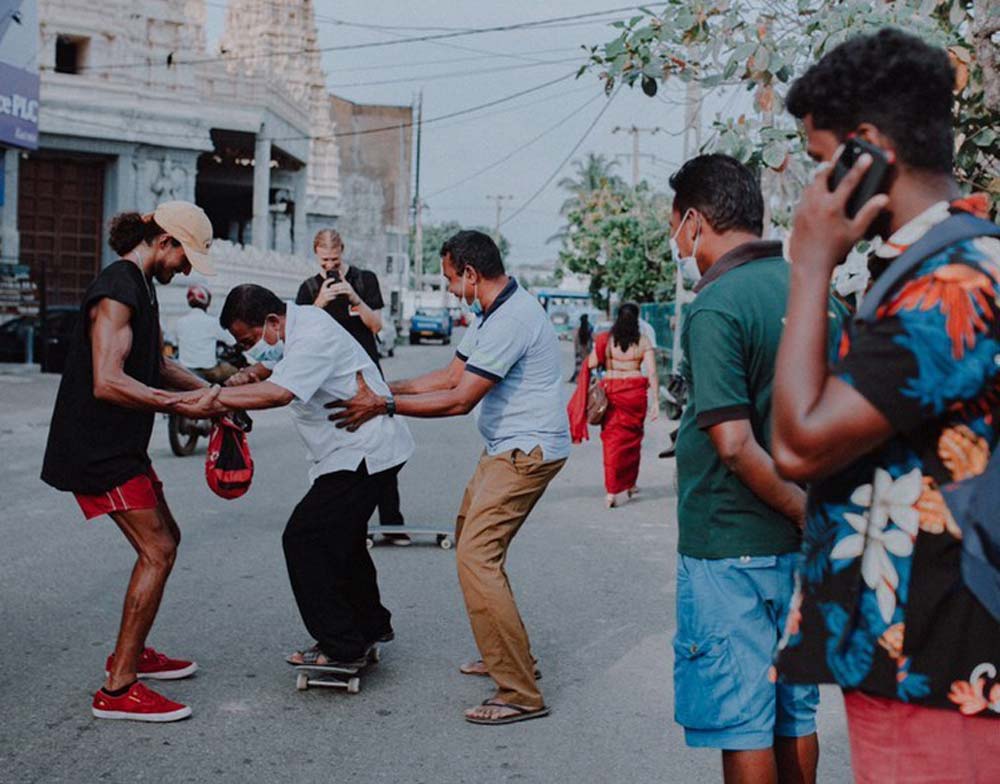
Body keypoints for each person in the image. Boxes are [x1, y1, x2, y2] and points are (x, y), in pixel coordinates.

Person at [771, 29, 1000, 781]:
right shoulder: (939, 266)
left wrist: (808, 265)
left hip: (939, 664)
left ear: (866, 151)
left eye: (818, 164)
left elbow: (800, 443)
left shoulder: (955, 284)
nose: (811, 194)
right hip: (921, 651)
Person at [327, 229, 569, 725]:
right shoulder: (489, 312)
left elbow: (460, 401)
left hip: (527, 451)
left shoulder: (512, 320)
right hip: (506, 445)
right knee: (472, 543)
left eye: (450, 279)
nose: (449, 289)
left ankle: (519, 691)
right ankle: (508, 653)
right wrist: (381, 385)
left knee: (477, 558)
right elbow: (448, 375)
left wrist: (385, 405)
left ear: (472, 274)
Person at [668, 155, 821, 783]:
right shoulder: (813, 294)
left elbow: (732, 443)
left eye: (674, 226)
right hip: (798, 552)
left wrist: (800, 511)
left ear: (696, 222)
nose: (676, 241)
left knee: (743, 720)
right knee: (795, 713)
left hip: (730, 547)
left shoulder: (716, 306)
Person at [40, 201, 218, 722]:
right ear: (164, 241)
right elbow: (108, 379)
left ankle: (132, 653)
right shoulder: (119, 286)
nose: (186, 270)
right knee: (158, 550)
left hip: (123, 447)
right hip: (98, 450)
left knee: (169, 538)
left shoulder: (141, 287)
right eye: (185, 257)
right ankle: (118, 688)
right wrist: (185, 405)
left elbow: (155, 364)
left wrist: (214, 394)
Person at [177, 283, 414, 668]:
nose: (251, 348)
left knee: (304, 539)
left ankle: (342, 644)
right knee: (344, 539)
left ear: (272, 321)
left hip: (362, 452)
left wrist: (213, 398)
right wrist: (252, 372)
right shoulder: (299, 324)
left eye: (251, 339)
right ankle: (371, 624)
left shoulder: (313, 332)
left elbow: (280, 394)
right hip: (356, 451)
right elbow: (277, 363)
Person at [295, 229, 408, 544]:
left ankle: (392, 522)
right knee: (335, 446)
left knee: (381, 442)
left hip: (365, 371)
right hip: (327, 376)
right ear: (316, 256)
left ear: (343, 253)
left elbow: (377, 325)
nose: (330, 265)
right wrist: (320, 301)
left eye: (335, 259)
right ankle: (344, 516)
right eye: (324, 260)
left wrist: (354, 298)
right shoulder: (308, 288)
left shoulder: (364, 279)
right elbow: (301, 330)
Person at [570, 303, 658, 508]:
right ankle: (629, 484)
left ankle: (611, 492)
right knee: (632, 443)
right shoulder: (643, 341)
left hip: (613, 393)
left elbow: (590, 363)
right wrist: (656, 401)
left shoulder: (606, 341)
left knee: (612, 442)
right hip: (635, 396)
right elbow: (652, 372)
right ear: (637, 319)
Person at [174, 284, 235, 384]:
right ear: (207, 302)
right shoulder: (213, 322)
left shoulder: (180, 322)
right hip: (209, 371)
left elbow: (177, 342)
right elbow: (231, 341)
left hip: (186, 371)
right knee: (235, 372)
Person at [569, 313, 593, 382]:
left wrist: (576, 351)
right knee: (587, 367)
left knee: (579, 366)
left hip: (580, 351)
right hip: (587, 351)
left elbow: (576, 341)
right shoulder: (589, 329)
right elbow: (590, 342)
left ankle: (577, 378)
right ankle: (586, 379)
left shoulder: (579, 330)